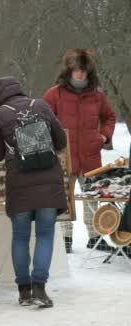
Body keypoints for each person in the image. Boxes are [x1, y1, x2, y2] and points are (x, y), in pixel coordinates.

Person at [0, 76, 68, 307]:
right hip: (49, 183)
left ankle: (24, 291)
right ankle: (40, 289)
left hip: (19, 184)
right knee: (44, 235)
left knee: (20, 237)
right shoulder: (41, 105)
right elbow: (61, 141)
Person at [43, 49, 117, 253]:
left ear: (88, 71)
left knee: (92, 196)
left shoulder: (97, 95)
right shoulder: (54, 93)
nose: (80, 75)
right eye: (77, 70)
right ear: (69, 70)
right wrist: (53, 141)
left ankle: (95, 237)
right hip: (63, 156)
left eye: (84, 71)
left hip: (91, 156)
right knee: (64, 198)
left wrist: (103, 136)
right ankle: (65, 238)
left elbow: (110, 117)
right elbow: (41, 119)